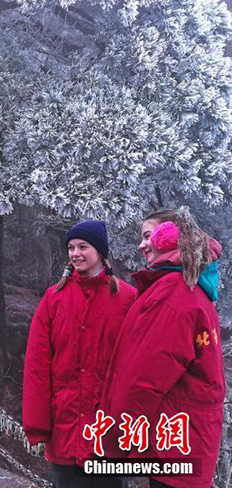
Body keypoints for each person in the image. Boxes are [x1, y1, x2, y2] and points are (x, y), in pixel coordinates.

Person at [101, 208, 224, 488]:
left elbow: (143, 378)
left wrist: (115, 439)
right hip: (190, 443)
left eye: (148, 236)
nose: (141, 245)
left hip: (177, 445)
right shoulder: (189, 289)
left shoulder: (171, 295)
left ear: (170, 238)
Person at [23, 220, 137, 487]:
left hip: (108, 429)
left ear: (100, 251)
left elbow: (135, 366)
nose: (76, 254)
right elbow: (37, 365)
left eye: (83, 246)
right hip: (65, 426)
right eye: (71, 248)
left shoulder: (128, 298)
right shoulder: (54, 298)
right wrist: (37, 426)